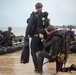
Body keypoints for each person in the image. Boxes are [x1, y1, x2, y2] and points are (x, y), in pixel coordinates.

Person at [26, 2, 50, 71]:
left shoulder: (33, 15)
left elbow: (29, 26)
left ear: (35, 8)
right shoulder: (45, 16)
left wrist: (26, 36)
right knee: (41, 53)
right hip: (42, 37)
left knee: (33, 53)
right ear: (42, 7)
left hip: (35, 37)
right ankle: (40, 68)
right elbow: (48, 27)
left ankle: (36, 68)